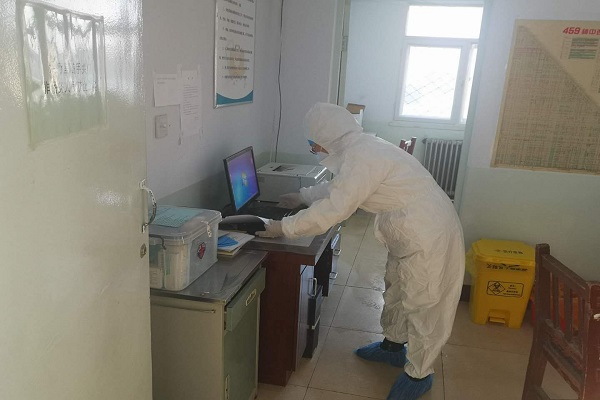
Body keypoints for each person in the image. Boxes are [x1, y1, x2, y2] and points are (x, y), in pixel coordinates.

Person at [256, 102, 465, 400]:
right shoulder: (358, 148)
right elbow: (340, 187)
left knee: (425, 301)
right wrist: (303, 196)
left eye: (313, 143)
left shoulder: (363, 155)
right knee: (397, 288)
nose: (313, 148)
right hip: (409, 231)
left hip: (429, 233)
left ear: (329, 137)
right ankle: (392, 346)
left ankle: (419, 373)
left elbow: (335, 207)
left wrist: (283, 227)